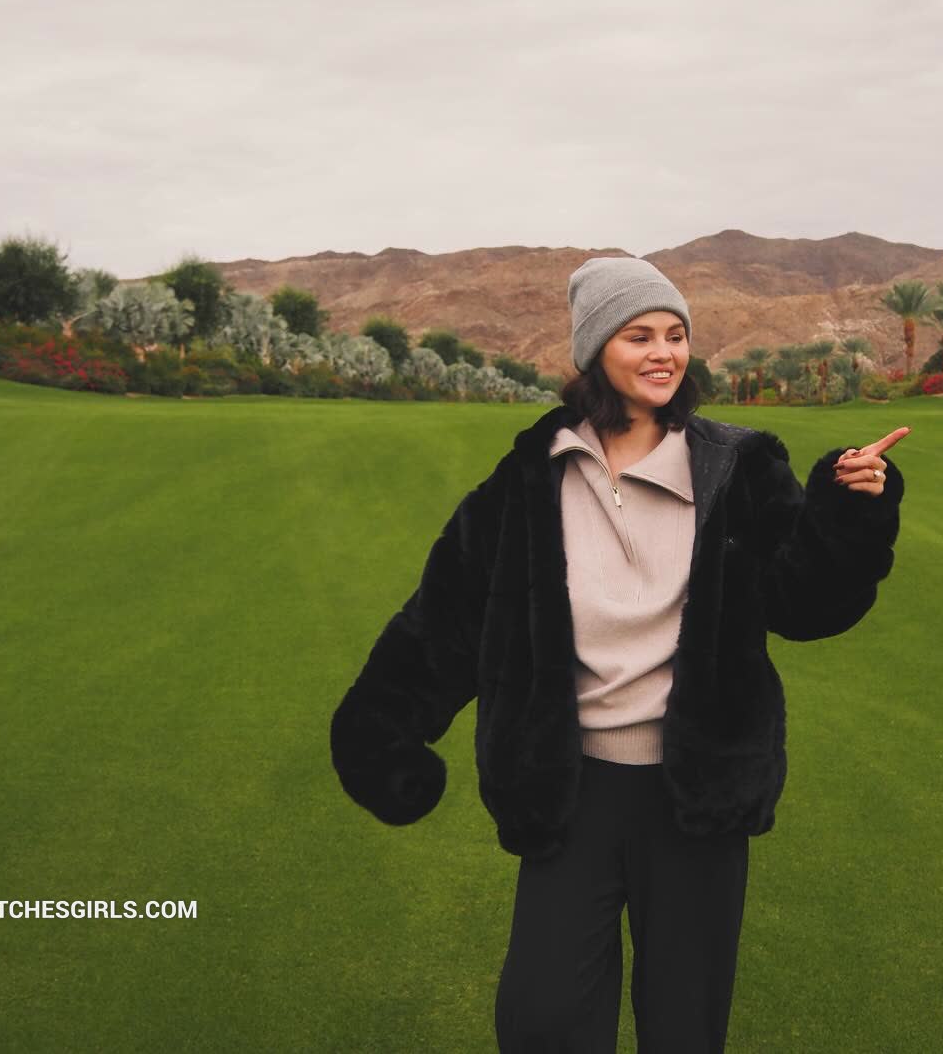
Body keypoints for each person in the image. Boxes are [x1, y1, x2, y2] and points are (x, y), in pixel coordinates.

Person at [329, 256, 908, 1053]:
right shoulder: (528, 480)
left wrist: (847, 511)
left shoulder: (739, 468)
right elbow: (444, 620)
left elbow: (805, 603)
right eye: (640, 335)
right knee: (542, 1020)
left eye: (675, 334)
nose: (664, 352)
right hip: (571, 794)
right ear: (595, 348)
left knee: (683, 1027)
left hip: (697, 794)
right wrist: (379, 733)